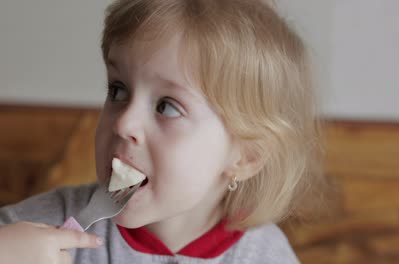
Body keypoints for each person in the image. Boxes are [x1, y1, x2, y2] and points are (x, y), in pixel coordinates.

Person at [0, 0, 332, 263]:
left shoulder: (261, 256)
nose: (123, 122)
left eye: (167, 107)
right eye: (118, 90)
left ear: (246, 156)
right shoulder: (48, 223)